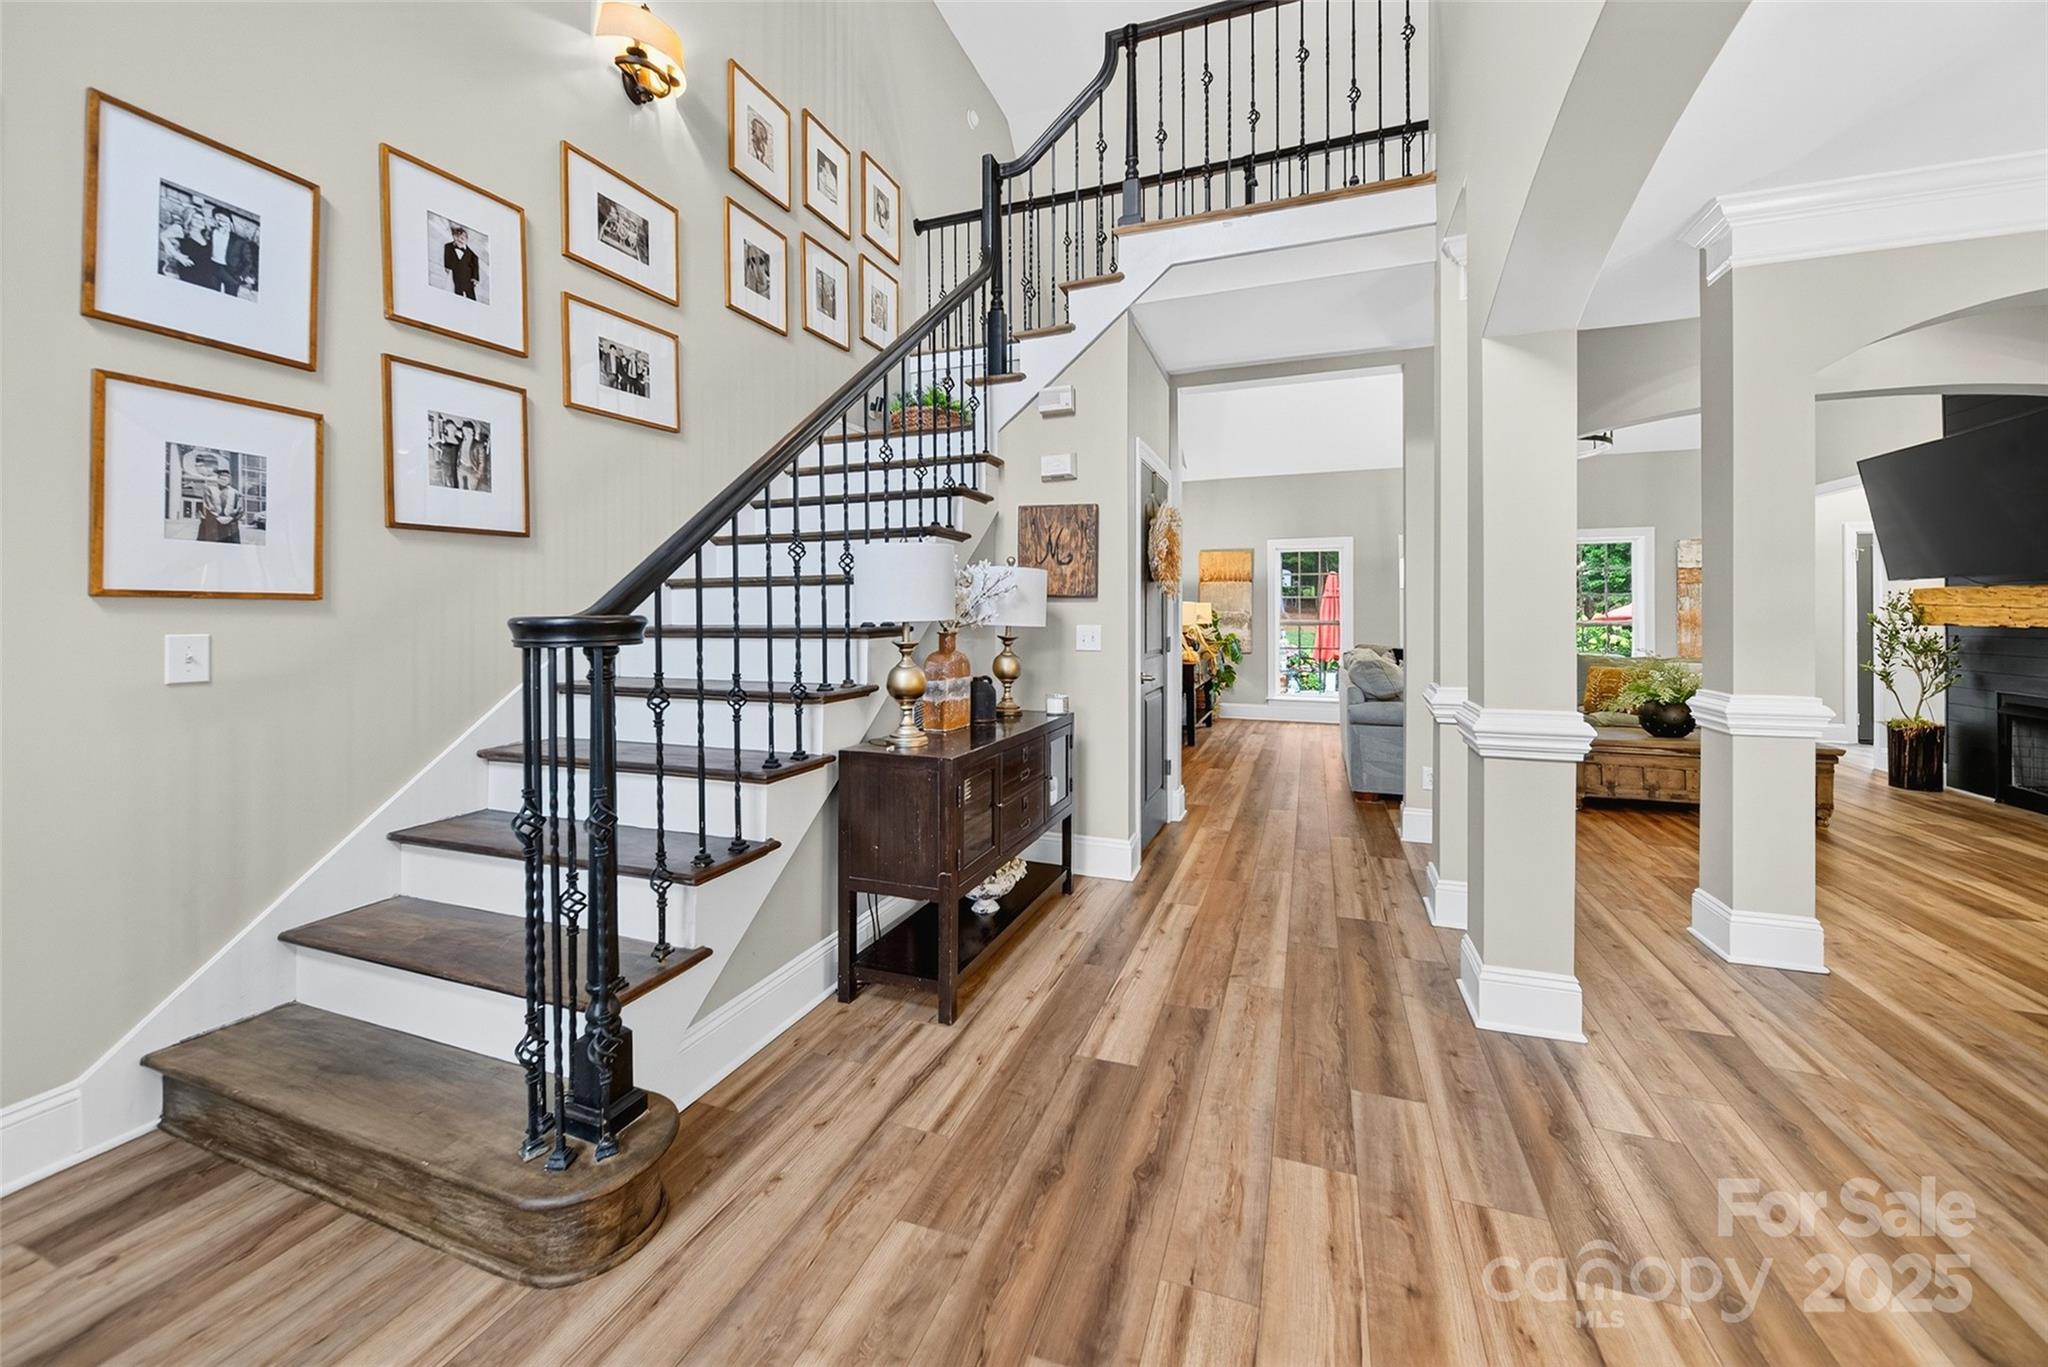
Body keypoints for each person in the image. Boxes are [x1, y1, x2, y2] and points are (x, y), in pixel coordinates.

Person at [197, 466, 243, 544]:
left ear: (229, 480)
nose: (223, 480)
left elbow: (239, 508)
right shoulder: (210, 490)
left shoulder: (235, 492)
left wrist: (231, 518)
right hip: (213, 524)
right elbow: (206, 505)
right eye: (221, 478)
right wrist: (216, 517)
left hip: (230, 525)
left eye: (226, 479)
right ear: (217, 479)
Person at [443, 225, 481, 300]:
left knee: (470, 296)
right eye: (457, 237)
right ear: (454, 237)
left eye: (463, 238)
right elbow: (447, 258)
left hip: (468, 279)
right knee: (457, 294)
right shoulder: (448, 247)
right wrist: (447, 266)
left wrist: (475, 278)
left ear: (466, 239)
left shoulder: (472, 255)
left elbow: (475, 267)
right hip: (455, 277)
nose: (460, 239)